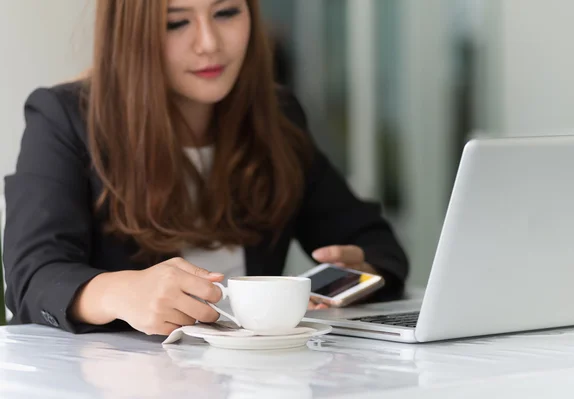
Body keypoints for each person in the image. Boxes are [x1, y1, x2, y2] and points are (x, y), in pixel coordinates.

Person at [3, 0, 408, 336]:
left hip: (258, 377)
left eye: (227, 12)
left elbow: (376, 245)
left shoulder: (276, 116)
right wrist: (121, 292)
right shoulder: (65, 117)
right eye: (177, 22)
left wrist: (360, 271)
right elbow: (32, 275)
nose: (209, 43)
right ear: (130, 33)